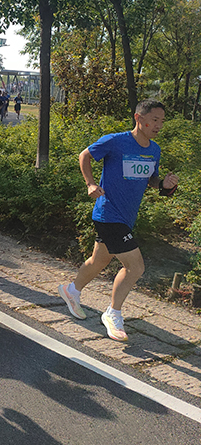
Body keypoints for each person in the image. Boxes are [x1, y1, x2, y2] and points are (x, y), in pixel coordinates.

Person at [58, 99, 178, 342]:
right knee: (136, 267)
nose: (158, 125)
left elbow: (151, 180)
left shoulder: (154, 150)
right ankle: (113, 313)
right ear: (138, 118)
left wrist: (164, 185)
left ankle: (71, 291)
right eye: (154, 120)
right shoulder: (115, 141)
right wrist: (90, 184)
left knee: (99, 260)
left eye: (162, 121)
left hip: (127, 216)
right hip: (109, 214)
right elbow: (85, 155)